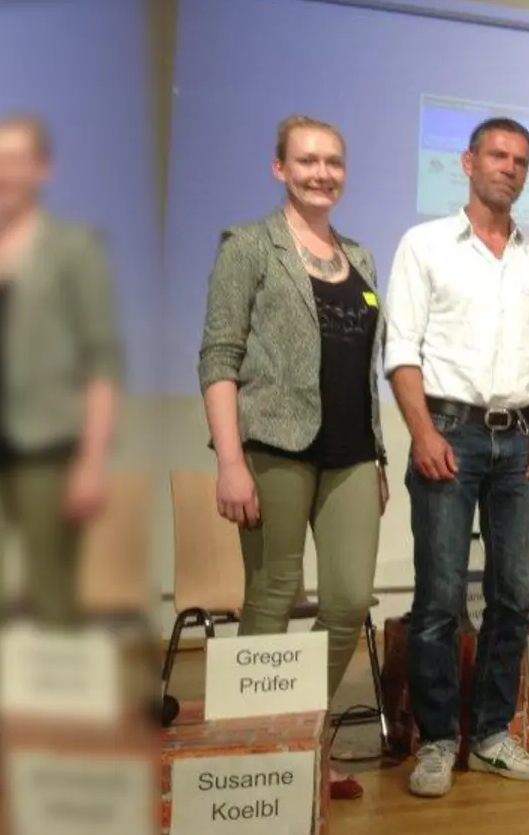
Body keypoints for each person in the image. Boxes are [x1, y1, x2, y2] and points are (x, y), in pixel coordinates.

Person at [198, 115, 387, 800]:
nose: (322, 172)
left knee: (346, 600)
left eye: (333, 161)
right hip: (271, 446)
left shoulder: (361, 258)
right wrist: (229, 460)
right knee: (273, 594)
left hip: (352, 456)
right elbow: (218, 356)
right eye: (307, 160)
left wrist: (381, 457)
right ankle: (252, 752)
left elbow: (365, 368)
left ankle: (304, 735)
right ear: (280, 168)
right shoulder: (248, 246)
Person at [385, 117, 529, 797]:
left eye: (520, 160)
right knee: (437, 599)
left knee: (513, 597)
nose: (509, 168)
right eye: (497, 155)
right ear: (467, 162)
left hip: (520, 439)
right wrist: (423, 432)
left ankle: (490, 734)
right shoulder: (425, 244)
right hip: (449, 431)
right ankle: (435, 740)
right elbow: (401, 348)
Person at [0, 115, 121, 795]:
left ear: (42, 170)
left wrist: (91, 459)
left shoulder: (73, 250)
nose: (2, 174)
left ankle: (53, 746)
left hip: (47, 450)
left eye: (15, 160)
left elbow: (101, 360)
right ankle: (3, 729)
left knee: (54, 605)